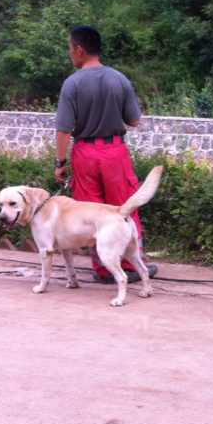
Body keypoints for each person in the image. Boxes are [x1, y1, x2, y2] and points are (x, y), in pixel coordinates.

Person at [54, 25, 158, 284]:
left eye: (70, 49)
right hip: (114, 152)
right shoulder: (119, 79)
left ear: (79, 49)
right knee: (125, 207)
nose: (70, 54)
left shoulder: (71, 84)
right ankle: (131, 265)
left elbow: (64, 130)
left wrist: (60, 163)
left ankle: (103, 270)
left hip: (84, 153)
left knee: (90, 212)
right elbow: (134, 121)